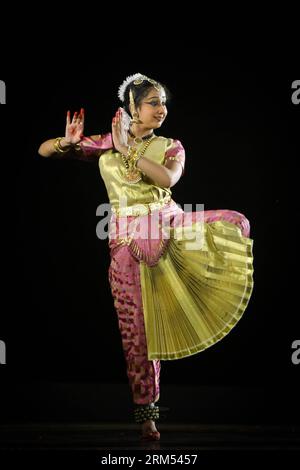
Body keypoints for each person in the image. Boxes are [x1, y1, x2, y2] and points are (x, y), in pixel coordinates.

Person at [38, 73, 254, 441]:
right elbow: (43, 150)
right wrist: (67, 144)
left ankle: (204, 284)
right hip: (123, 243)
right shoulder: (106, 144)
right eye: (153, 102)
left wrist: (128, 150)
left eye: (163, 102)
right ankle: (147, 418)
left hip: (168, 230)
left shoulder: (171, 146)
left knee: (235, 223)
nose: (161, 109)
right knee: (136, 333)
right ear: (132, 109)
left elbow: (168, 180)